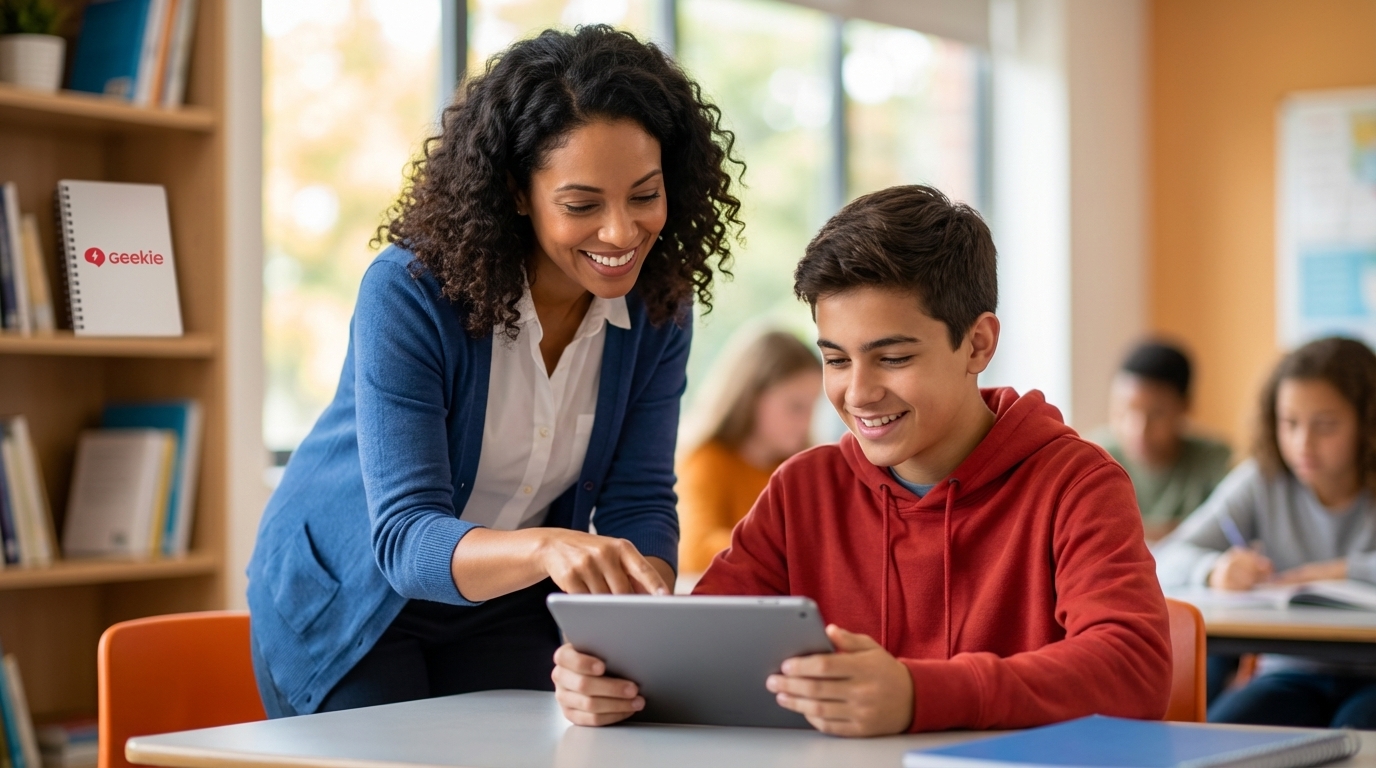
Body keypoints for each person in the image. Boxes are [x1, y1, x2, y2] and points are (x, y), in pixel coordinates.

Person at [245, 26, 743, 717]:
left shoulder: (659, 307)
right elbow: (406, 537)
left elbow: (640, 502)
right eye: (582, 205)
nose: (622, 232)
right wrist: (550, 548)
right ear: (516, 192)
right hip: (355, 596)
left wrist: (637, 624)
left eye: (644, 195)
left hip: (505, 605)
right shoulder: (413, 292)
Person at [550, 185, 1172, 736]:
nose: (858, 392)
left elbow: (1135, 668)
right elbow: (700, 651)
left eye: (893, 358)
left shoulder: (1077, 484)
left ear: (977, 343)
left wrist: (918, 693)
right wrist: (618, 682)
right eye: (837, 359)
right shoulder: (803, 490)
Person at [1156, 337, 1376, 728]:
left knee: (1356, 740)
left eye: (1325, 425)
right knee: (1219, 741)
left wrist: (1342, 571)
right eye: (1289, 422)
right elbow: (1167, 556)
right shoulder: (1262, 480)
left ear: (1367, 422)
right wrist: (1214, 569)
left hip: (1371, 677)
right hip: (1292, 673)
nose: (1302, 443)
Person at [676, 328, 822, 574]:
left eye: (812, 407)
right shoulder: (706, 459)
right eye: (795, 407)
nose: (806, 422)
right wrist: (789, 548)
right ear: (752, 396)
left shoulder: (804, 467)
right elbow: (695, 550)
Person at [1090, 341, 1232, 540]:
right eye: (1125, 411)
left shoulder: (1216, 460)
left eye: (1156, 414)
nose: (1138, 429)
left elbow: (1228, 531)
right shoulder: (1093, 458)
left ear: (1185, 407)